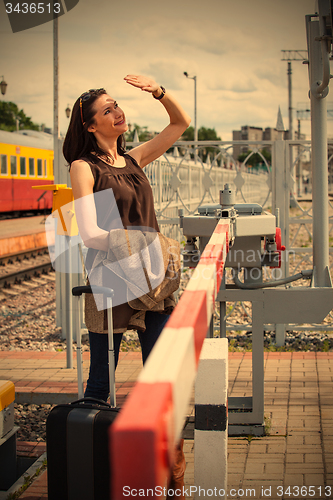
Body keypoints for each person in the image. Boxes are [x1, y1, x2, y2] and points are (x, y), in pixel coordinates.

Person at [63, 75, 190, 495]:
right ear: (91, 126)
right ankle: (92, 472)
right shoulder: (84, 167)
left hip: (152, 281)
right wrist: (139, 242)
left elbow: (179, 125)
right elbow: (90, 232)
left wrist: (158, 92)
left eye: (117, 105)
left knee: (162, 375)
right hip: (113, 280)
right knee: (102, 379)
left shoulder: (133, 159)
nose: (118, 112)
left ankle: (172, 475)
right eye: (107, 110)